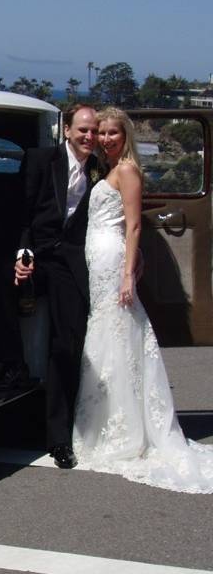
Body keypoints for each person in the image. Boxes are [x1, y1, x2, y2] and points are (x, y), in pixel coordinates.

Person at [73, 107, 213, 492]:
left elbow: (134, 225)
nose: (105, 139)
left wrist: (127, 273)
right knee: (105, 335)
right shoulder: (107, 169)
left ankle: (124, 429)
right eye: (100, 133)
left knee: (118, 336)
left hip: (113, 262)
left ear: (125, 135)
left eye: (112, 133)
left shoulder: (129, 170)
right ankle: (107, 420)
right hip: (99, 261)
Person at [14, 103, 99, 469]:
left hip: (69, 262)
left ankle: (59, 438)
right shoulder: (39, 160)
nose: (89, 137)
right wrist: (21, 254)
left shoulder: (101, 169)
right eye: (83, 130)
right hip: (34, 252)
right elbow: (21, 212)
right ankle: (8, 379)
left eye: (94, 131)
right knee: (5, 297)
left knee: (67, 343)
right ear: (66, 130)